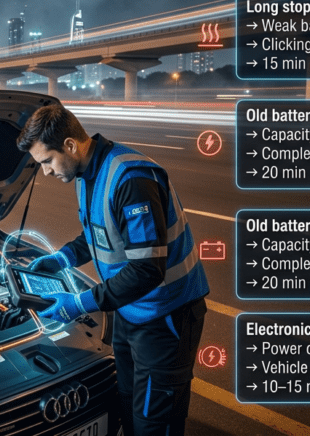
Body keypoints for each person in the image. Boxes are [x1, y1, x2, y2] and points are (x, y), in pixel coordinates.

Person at [16, 103, 208, 436]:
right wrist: (59, 259)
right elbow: (98, 234)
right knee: (128, 406)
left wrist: (78, 304)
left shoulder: (131, 179)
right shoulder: (85, 173)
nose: (45, 172)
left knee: (155, 422)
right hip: (129, 311)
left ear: (71, 145)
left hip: (167, 318)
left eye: (47, 161)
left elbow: (147, 270)